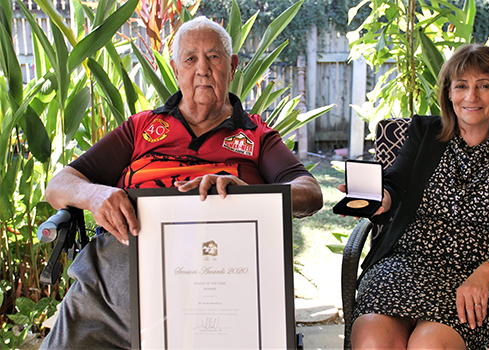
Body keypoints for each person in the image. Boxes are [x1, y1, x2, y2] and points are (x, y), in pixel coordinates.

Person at [40, 16, 323, 349]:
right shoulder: (140, 128)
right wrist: (95, 195)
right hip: (122, 282)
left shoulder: (255, 135)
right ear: (176, 69)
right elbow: (59, 184)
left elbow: (311, 193)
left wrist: (251, 195)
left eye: (214, 57)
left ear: (232, 66)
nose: (202, 69)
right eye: (190, 59)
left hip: (222, 274)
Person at [345, 44, 489, 349]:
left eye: (484, 86)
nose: (471, 97)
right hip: (405, 265)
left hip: (478, 277)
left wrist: (486, 273)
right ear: (448, 92)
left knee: (428, 345)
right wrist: (381, 199)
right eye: (461, 86)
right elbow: (396, 181)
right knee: (372, 339)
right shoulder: (425, 132)